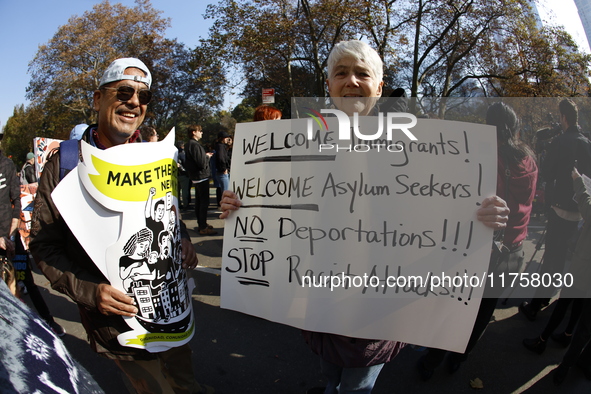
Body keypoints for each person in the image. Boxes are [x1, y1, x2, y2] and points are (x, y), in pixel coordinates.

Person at [219, 40, 510, 394]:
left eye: (362, 73)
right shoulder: (305, 137)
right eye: (341, 73)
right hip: (320, 295)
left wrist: (486, 215)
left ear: (380, 87)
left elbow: (453, 204)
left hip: (380, 306)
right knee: (328, 369)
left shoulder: (421, 142)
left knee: (358, 384)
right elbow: (275, 196)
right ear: (329, 85)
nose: (351, 81)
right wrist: (239, 201)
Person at [29, 58, 211, 394]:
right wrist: (90, 292)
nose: (135, 103)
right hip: (118, 325)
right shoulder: (66, 165)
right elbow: (42, 246)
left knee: (186, 381)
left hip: (171, 311)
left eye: (144, 97)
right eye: (124, 92)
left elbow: (165, 214)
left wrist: (182, 237)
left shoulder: (154, 156)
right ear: (98, 99)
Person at [417, 102, 538, 379]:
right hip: (514, 251)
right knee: (483, 314)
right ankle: (461, 357)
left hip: (480, 252)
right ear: (516, 128)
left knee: (454, 308)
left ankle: (431, 361)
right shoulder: (528, 160)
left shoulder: (485, 159)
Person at [520, 99, 591, 321]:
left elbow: (547, 173)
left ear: (563, 117)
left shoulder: (560, 142)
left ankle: (537, 303)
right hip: (579, 208)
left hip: (559, 207)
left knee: (552, 258)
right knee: (565, 256)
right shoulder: (586, 143)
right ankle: (551, 296)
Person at [553, 167, 591, 385]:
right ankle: (581, 363)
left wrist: (578, 182)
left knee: (584, 324)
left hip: (584, 267)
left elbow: (588, 208)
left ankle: (567, 365)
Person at [184, 124, 217, 236]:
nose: (201, 133)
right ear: (194, 132)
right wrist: (207, 157)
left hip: (196, 177)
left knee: (199, 202)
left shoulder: (189, 144)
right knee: (203, 203)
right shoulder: (195, 145)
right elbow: (201, 163)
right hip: (201, 177)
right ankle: (203, 227)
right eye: (200, 131)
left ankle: (201, 224)